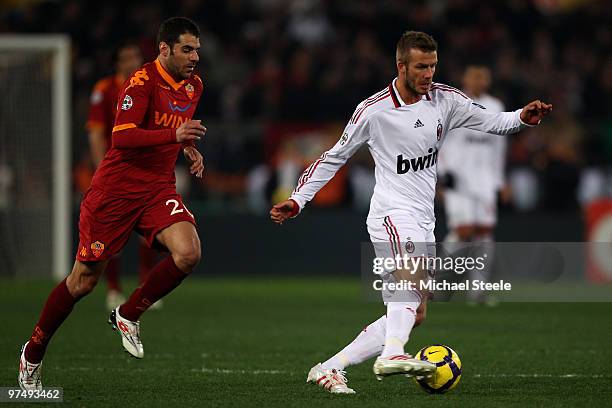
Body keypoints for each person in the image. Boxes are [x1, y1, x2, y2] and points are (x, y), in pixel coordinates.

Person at [270, 31, 551, 394]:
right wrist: (298, 199)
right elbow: (334, 156)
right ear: (401, 66)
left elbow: (491, 121)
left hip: (423, 217)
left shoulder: (445, 100)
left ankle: (329, 367)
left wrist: (522, 118)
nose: (428, 73)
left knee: (414, 313)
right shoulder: (373, 111)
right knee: (413, 280)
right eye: (420, 66)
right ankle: (393, 353)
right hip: (390, 213)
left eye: (432, 65)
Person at [18, 16, 207, 390]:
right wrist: (175, 134)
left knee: (188, 253)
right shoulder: (140, 82)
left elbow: (174, 124)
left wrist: (187, 147)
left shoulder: (194, 85)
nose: (195, 57)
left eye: (197, 49)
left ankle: (128, 313)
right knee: (83, 282)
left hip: (157, 188)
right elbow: (122, 138)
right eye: (187, 49)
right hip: (115, 191)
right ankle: (32, 354)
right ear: (164, 49)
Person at [86, 42, 162, 311]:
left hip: (145, 171)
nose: (132, 62)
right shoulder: (104, 90)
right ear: (118, 63)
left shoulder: (150, 85)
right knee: (112, 233)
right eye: (126, 58)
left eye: (135, 57)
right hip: (116, 171)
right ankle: (114, 290)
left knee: (149, 230)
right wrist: (101, 169)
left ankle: (145, 288)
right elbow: (96, 133)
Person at [437, 65, 508, 305]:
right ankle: (436, 281)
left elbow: (499, 148)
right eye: (474, 76)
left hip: (485, 180)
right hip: (458, 178)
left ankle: (477, 291)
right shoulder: (453, 103)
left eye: (483, 76)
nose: (479, 80)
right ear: (465, 79)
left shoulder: (496, 106)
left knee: (484, 234)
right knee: (464, 232)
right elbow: (438, 139)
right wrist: (441, 173)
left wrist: (500, 181)